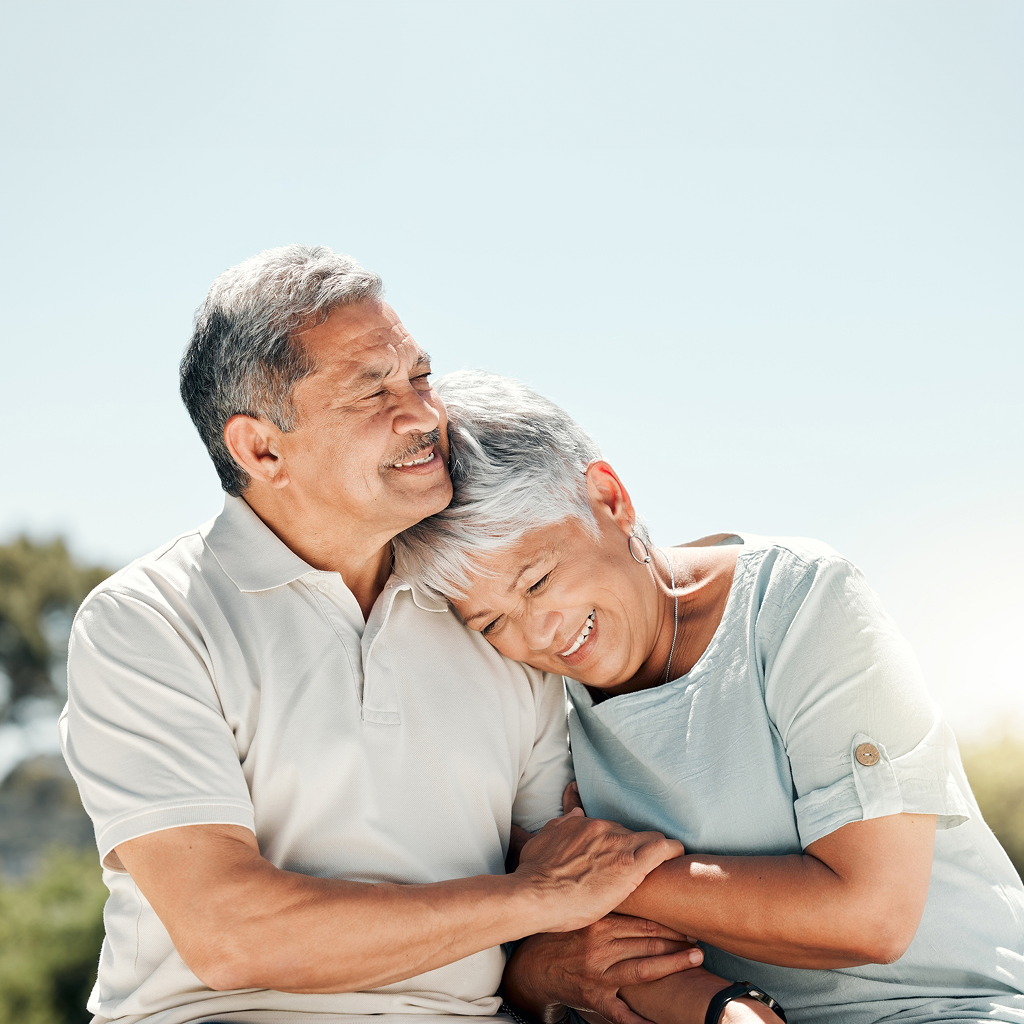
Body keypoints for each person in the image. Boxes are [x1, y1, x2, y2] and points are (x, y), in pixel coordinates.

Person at [59, 247, 696, 1024]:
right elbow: (230, 934)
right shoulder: (148, 620)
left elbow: (564, 864)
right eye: (373, 392)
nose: (424, 415)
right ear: (261, 449)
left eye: (420, 377)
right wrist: (531, 899)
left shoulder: (492, 616)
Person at [394, 369, 1024, 1024]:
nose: (536, 635)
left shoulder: (802, 601)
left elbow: (872, 917)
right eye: (491, 622)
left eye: (538, 582)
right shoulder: (530, 698)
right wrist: (545, 933)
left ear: (609, 498)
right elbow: (560, 952)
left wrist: (586, 878)